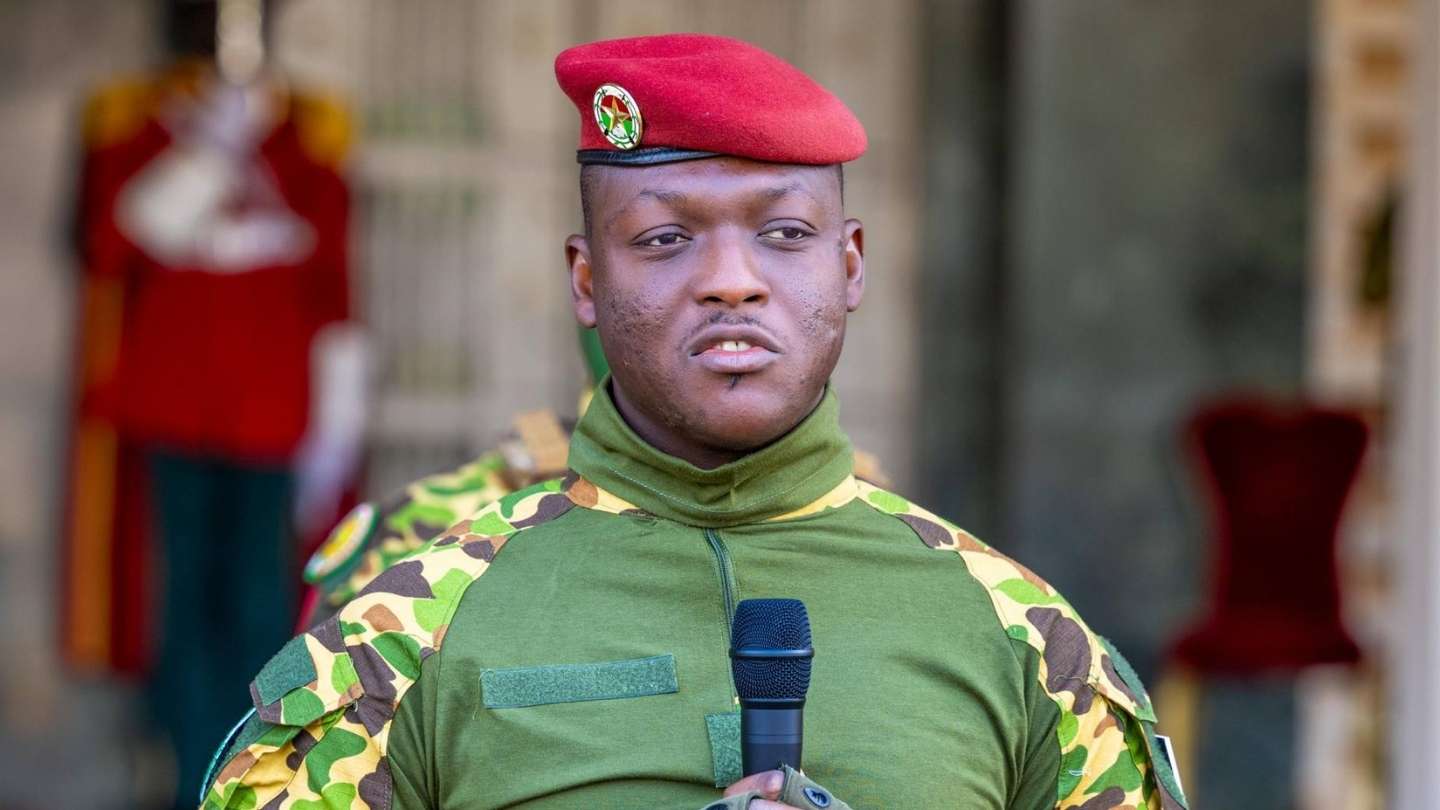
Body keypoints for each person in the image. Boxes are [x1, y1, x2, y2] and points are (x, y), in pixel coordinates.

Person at [200, 34, 1187, 809]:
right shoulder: (407, 638)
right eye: (666, 238)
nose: (728, 282)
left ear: (848, 266)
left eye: (784, 233)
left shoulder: (1025, 644)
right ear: (587, 280)